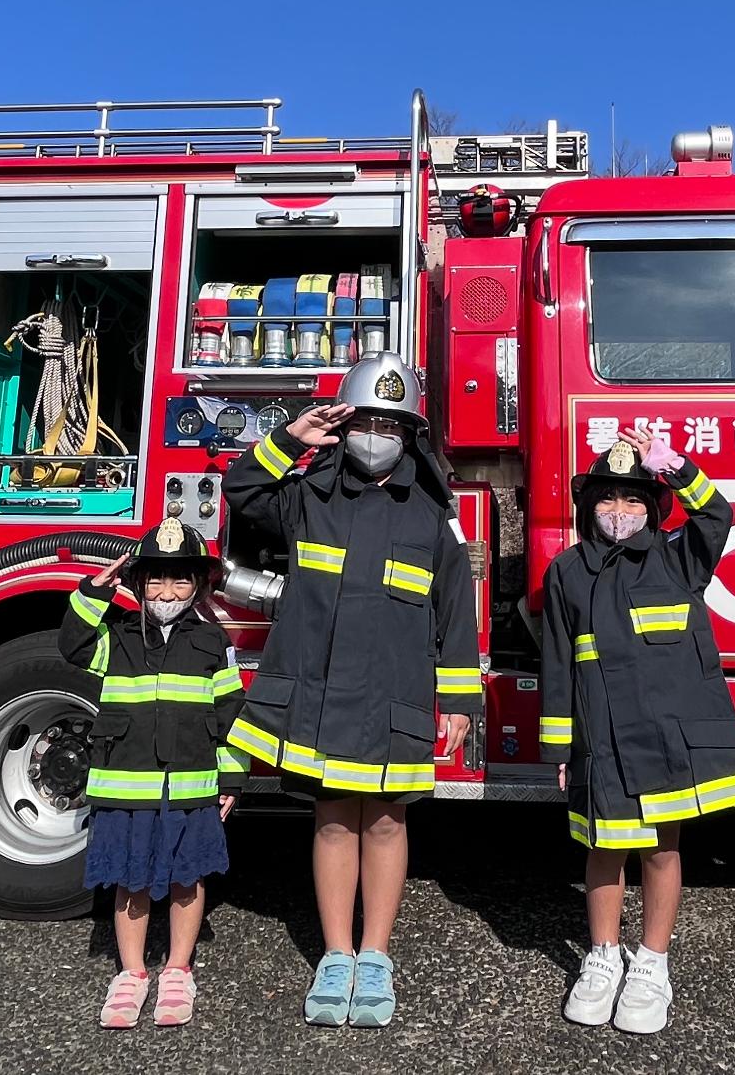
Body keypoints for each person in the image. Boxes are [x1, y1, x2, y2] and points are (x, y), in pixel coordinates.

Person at [221, 351, 480, 1028]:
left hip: (395, 695)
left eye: (390, 425)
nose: (375, 435)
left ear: (411, 437)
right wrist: (289, 438)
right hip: (324, 691)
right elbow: (243, 492)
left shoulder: (431, 518)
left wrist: (457, 701)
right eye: (364, 421)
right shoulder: (310, 497)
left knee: (389, 821)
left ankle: (376, 953)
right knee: (334, 819)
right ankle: (336, 954)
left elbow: (456, 614)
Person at [537, 424, 735, 1035]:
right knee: (602, 849)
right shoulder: (566, 571)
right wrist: (559, 743)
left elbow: (717, 514)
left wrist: (673, 465)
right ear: (589, 506)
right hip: (601, 738)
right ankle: (603, 958)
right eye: (608, 498)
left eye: (634, 498)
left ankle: (652, 964)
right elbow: (556, 662)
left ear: (653, 507)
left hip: (665, 736)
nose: (620, 510)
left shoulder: (678, 558)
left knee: (662, 849)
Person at [58, 518, 246, 1030]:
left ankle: (179, 970)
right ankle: (133, 974)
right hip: (126, 786)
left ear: (198, 585)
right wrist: (93, 592)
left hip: (191, 785)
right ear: (138, 585)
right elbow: (72, 646)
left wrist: (230, 778)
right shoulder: (114, 638)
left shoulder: (213, 643)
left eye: (181, 580)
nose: (168, 591)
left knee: (189, 876)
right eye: (156, 580)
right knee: (129, 878)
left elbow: (232, 714)